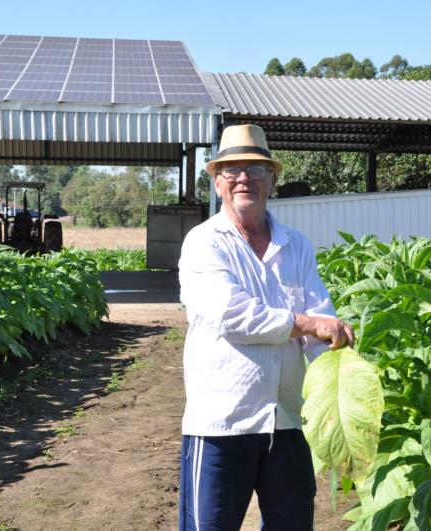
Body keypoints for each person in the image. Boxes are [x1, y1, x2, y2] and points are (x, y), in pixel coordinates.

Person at [177, 124, 354, 531]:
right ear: (218, 181)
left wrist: (340, 369)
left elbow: (319, 318)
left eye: (256, 170)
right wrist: (308, 323)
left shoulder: (296, 244)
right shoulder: (204, 243)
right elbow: (233, 315)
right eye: (233, 170)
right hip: (223, 421)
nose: (245, 179)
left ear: (272, 180)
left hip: (288, 420)